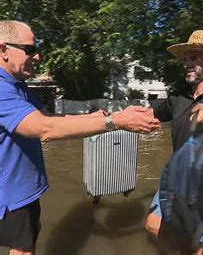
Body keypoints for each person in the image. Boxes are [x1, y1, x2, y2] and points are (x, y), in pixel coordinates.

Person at [0, 20, 160, 255]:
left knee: (26, 241)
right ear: (3, 49)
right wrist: (115, 121)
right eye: (30, 49)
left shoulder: (19, 87)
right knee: (23, 250)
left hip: (22, 192)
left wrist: (96, 117)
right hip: (11, 195)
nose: (38, 57)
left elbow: (50, 117)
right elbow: (44, 128)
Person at [144, 30, 203, 253]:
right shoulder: (178, 97)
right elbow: (149, 113)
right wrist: (110, 117)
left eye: (194, 58)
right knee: (152, 224)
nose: (187, 63)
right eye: (186, 58)